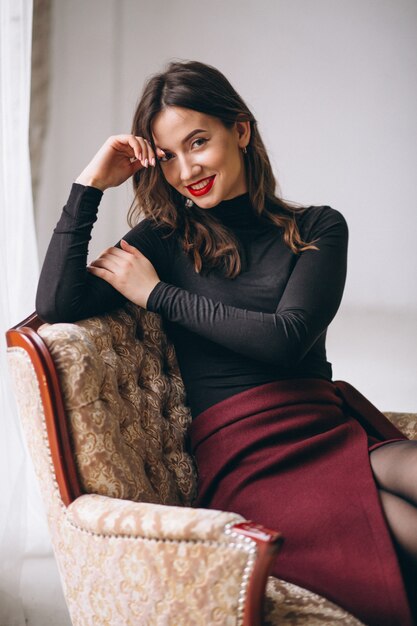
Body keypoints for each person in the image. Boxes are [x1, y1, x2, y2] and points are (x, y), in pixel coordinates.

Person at [36, 60, 417, 625]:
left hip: (322, 423)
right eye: (168, 157)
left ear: (239, 131)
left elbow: (286, 340)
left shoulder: (318, 227)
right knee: (401, 525)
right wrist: (89, 183)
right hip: (248, 455)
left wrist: (158, 295)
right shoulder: (164, 240)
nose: (188, 169)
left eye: (198, 142)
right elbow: (56, 305)